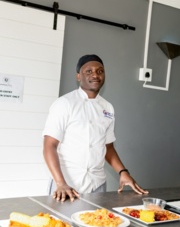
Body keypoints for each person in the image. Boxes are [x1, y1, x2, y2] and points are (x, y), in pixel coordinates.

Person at [43, 54, 148, 202]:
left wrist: (123, 172)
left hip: (97, 185)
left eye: (100, 71)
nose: (95, 75)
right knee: (61, 225)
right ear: (78, 76)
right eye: (89, 71)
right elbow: (49, 146)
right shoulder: (64, 103)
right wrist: (60, 183)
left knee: (95, 223)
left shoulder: (108, 108)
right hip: (66, 184)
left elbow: (108, 147)